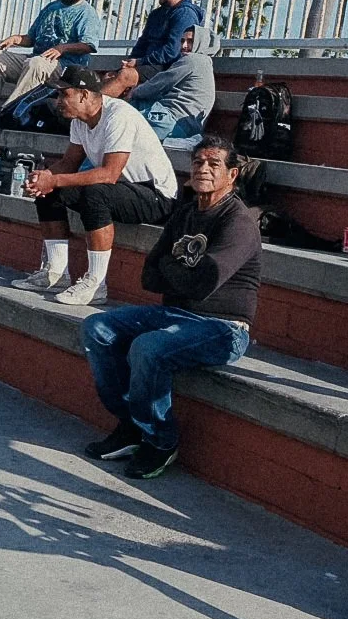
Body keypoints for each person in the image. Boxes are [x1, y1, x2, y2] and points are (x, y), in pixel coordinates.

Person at [81, 135, 261, 480]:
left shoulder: (238, 222)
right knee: (97, 328)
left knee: (148, 347)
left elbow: (205, 282)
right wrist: (179, 273)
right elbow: (149, 275)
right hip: (175, 314)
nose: (203, 169)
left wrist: (171, 269)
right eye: (198, 162)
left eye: (214, 164)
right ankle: (132, 426)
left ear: (232, 175)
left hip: (223, 328)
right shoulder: (185, 214)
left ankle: (160, 440)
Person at [13, 65, 179, 305]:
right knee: (48, 191)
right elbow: (69, 163)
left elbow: (109, 174)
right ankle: (55, 274)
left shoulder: (118, 115)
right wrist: (43, 178)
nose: (58, 101)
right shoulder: (79, 120)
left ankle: (96, 284)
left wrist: (54, 179)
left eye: (64, 94)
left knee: (95, 192)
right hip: (121, 190)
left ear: (84, 95)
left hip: (156, 196)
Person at [103, 0, 202, 96]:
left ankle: (93, 107)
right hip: (149, 64)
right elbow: (142, 42)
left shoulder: (185, 14)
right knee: (109, 77)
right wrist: (130, 62)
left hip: (168, 68)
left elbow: (172, 51)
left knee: (125, 76)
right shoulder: (156, 14)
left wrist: (139, 62)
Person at [123, 24, 216, 141]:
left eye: (190, 41)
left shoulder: (192, 59)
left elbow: (159, 84)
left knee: (120, 121)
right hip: (185, 125)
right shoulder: (205, 63)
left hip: (171, 121)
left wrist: (135, 91)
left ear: (201, 42)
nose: (184, 46)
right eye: (182, 41)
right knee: (134, 106)